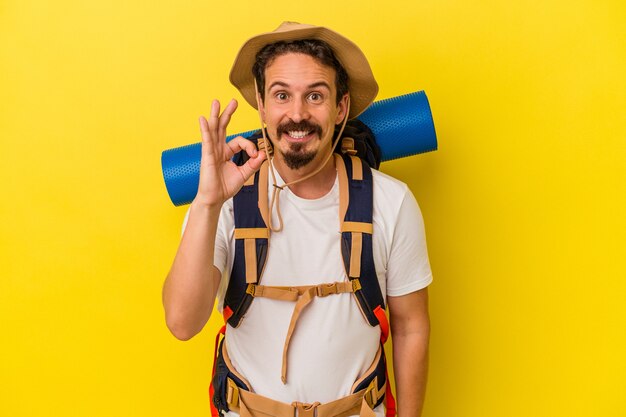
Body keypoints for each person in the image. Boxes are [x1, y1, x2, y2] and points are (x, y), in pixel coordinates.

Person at [163, 22, 432, 417]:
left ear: (341, 108)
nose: (297, 114)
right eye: (282, 94)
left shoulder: (390, 202)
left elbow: (411, 327)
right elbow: (182, 323)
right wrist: (206, 203)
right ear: (261, 103)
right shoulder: (221, 202)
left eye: (315, 96)